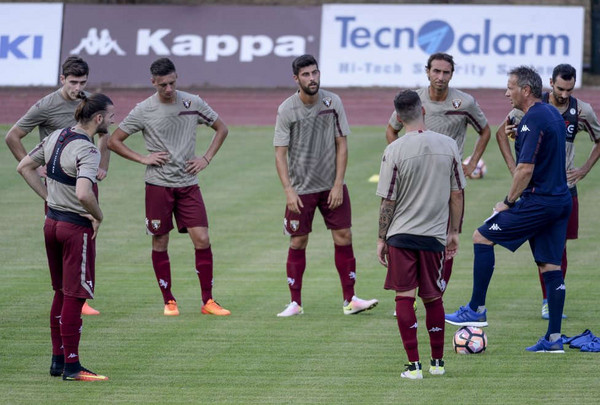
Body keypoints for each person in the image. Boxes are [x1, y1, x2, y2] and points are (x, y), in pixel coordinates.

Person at [445, 66, 572, 353]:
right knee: (550, 266)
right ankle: (553, 340)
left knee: (481, 237)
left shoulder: (534, 119)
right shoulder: (548, 112)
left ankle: (476, 308)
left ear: (525, 90)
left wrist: (508, 202)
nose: (506, 92)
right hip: (560, 200)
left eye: (510, 87)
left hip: (539, 201)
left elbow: (525, 170)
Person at [108, 57, 230, 317]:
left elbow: (221, 128)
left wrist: (206, 158)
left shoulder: (192, 102)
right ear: (153, 82)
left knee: (203, 238)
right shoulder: (143, 110)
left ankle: (208, 301)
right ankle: (169, 300)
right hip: (158, 185)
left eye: (172, 83)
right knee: (160, 240)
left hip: (188, 184)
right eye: (163, 85)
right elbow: (114, 140)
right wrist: (143, 158)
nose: (169, 89)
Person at [17, 92, 114, 381]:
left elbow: (24, 167)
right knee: (74, 296)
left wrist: (50, 198)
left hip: (51, 223)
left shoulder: (57, 135)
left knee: (60, 292)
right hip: (74, 230)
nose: (113, 119)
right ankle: (72, 366)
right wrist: (98, 215)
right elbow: (84, 193)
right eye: (111, 115)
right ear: (98, 118)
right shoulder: (88, 150)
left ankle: (57, 360)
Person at [273, 54, 378, 317]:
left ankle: (350, 299)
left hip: (331, 185)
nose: (312, 79)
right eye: (306, 75)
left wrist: (338, 184)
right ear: (296, 79)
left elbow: (342, 143)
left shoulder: (333, 101)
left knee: (344, 236)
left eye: (315, 73)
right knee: (298, 241)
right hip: (301, 189)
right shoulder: (287, 109)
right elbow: (280, 153)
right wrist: (288, 190)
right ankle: (295, 303)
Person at [496, 63, 600, 319]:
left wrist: (584, 169)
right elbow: (501, 132)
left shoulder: (581, 111)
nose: (564, 94)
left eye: (569, 89)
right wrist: (513, 167)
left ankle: (549, 300)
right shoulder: (530, 107)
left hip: (566, 189)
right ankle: (547, 299)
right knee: (541, 247)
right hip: (537, 191)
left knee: (559, 247)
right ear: (550, 83)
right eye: (559, 88)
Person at [5, 56, 104, 316]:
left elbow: (104, 133)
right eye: (73, 82)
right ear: (62, 79)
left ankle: (79, 298)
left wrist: (103, 164)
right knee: (62, 242)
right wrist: (36, 167)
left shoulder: (89, 102)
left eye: (83, 82)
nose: (77, 88)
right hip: (58, 188)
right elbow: (12, 136)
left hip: (84, 180)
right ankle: (67, 300)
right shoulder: (46, 105)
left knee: (86, 241)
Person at [377, 90, 465, 379]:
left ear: (400, 119)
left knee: (404, 297)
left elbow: (388, 201)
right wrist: (454, 232)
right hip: (433, 237)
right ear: (423, 111)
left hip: (400, 236)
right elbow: (456, 194)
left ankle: (413, 366)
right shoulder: (449, 145)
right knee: (433, 298)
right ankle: (437, 363)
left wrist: (381, 238)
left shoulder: (394, 150)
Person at [385, 52, 491, 289]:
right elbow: (391, 129)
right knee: (404, 235)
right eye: (436, 71)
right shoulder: (414, 100)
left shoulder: (465, 103)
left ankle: (436, 292)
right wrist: (399, 158)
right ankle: (407, 293)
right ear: (427, 71)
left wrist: (472, 163)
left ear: (452, 74)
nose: (440, 77)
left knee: (446, 241)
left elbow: (485, 130)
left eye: (446, 72)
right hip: (413, 182)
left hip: (448, 184)